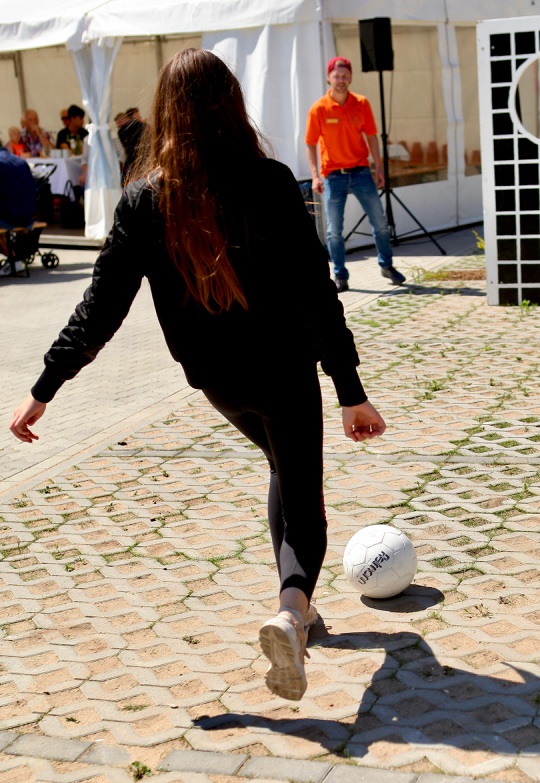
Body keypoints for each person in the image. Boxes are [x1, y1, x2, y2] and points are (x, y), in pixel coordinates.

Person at [9, 48, 386, 701]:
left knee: (281, 464)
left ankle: (300, 611)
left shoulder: (141, 201)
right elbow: (314, 295)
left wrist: (43, 388)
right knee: (302, 490)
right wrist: (348, 391)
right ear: (231, 105)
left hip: (217, 381)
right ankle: (292, 612)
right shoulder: (269, 181)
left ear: (165, 113)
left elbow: (101, 310)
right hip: (283, 368)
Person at [306, 56, 406, 293]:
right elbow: (310, 143)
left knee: (380, 223)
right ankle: (340, 275)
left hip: (361, 172)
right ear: (329, 77)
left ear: (350, 77)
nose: (341, 80)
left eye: (345, 76)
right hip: (333, 176)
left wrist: (378, 167)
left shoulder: (361, 103)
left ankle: (387, 265)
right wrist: (314, 175)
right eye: (337, 76)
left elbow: (371, 136)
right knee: (334, 230)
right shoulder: (318, 108)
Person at [0, 147, 36, 274]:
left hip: (12, 217)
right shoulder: (19, 160)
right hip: (28, 216)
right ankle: (14, 258)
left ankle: (14, 260)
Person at [117, 107, 145, 183]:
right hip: (140, 160)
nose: (139, 118)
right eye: (137, 116)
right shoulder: (140, 125)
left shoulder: (121, 131)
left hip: (133, 162)